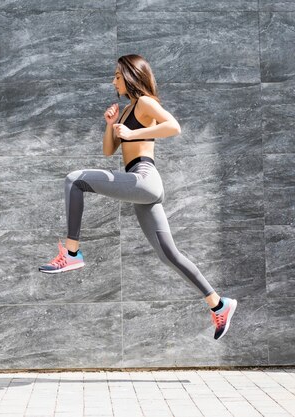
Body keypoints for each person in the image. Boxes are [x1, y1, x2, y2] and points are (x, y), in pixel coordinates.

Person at [39, 54, 237, 340]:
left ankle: (71, 253)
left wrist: (133, 133)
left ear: (130, 75)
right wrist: (112, 124)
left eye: (117, 76)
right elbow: (109, 151)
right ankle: (219, 304)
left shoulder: (144, 102)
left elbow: (173, 126)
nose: (113, 81)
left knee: (75, 180)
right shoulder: (127, 109)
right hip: (140, 184)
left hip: (145, 177)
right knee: (169, 255)